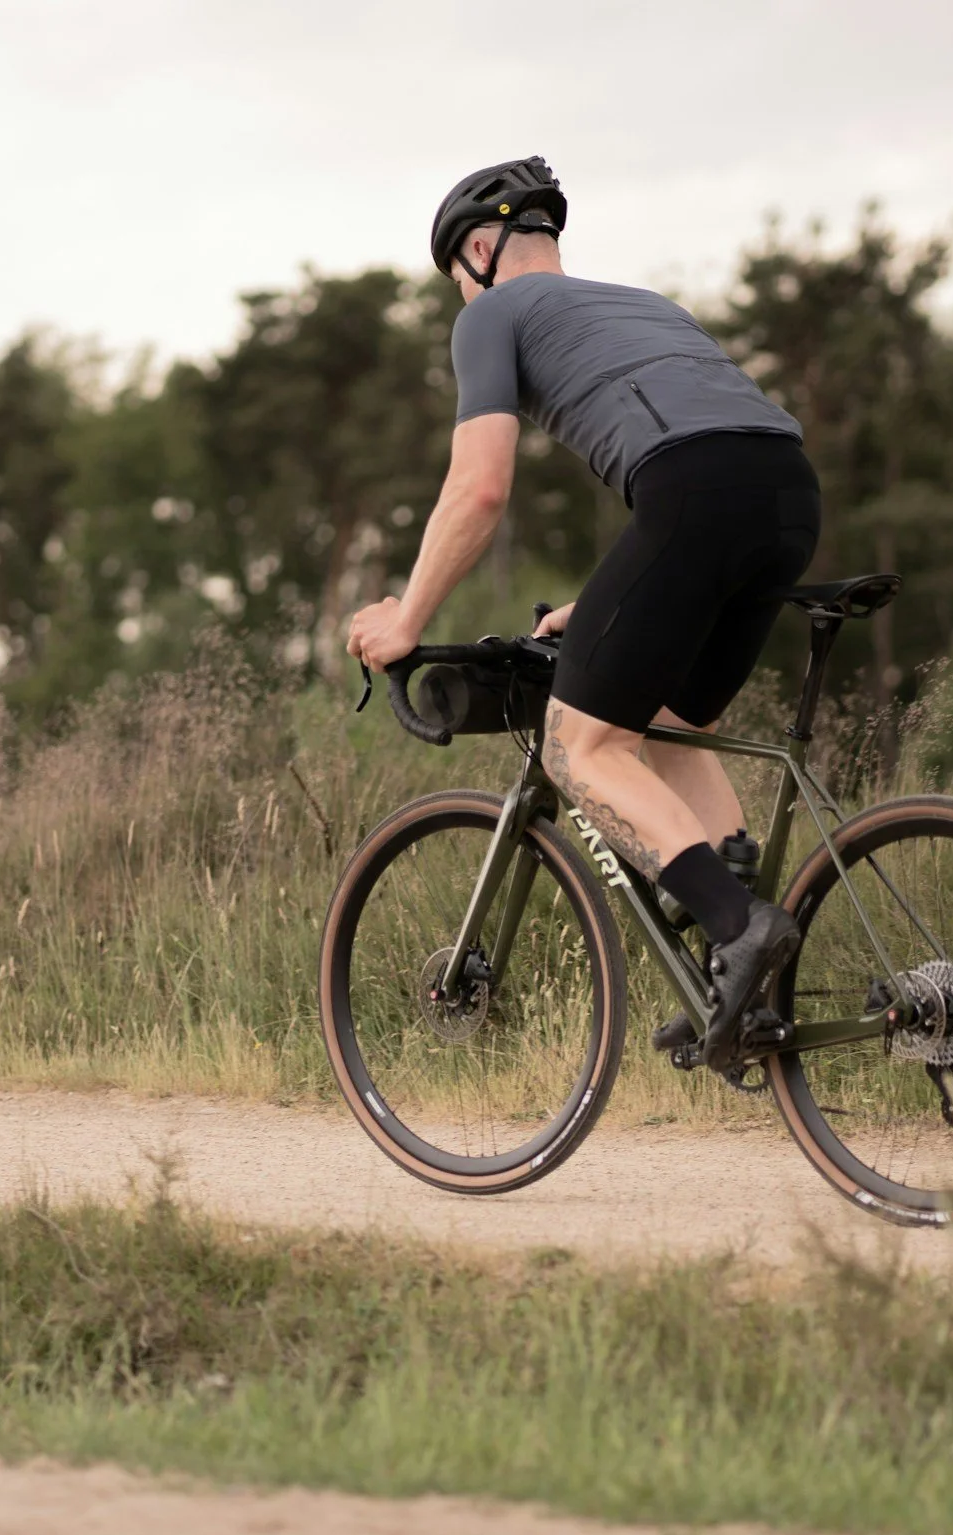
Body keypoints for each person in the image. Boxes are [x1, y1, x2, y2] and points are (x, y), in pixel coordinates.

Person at [345, 156, 821, 1060]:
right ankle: (746, 985)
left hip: (694, 494)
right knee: (674, 728)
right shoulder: (645, 304)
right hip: (789, 490)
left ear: (479, 250)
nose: (462, 299)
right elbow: (706, 464)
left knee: (579, 746)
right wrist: (602, 602)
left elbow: (479, 490)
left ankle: (738, 927)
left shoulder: (491, 313)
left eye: (456, 280)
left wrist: (406, 617)